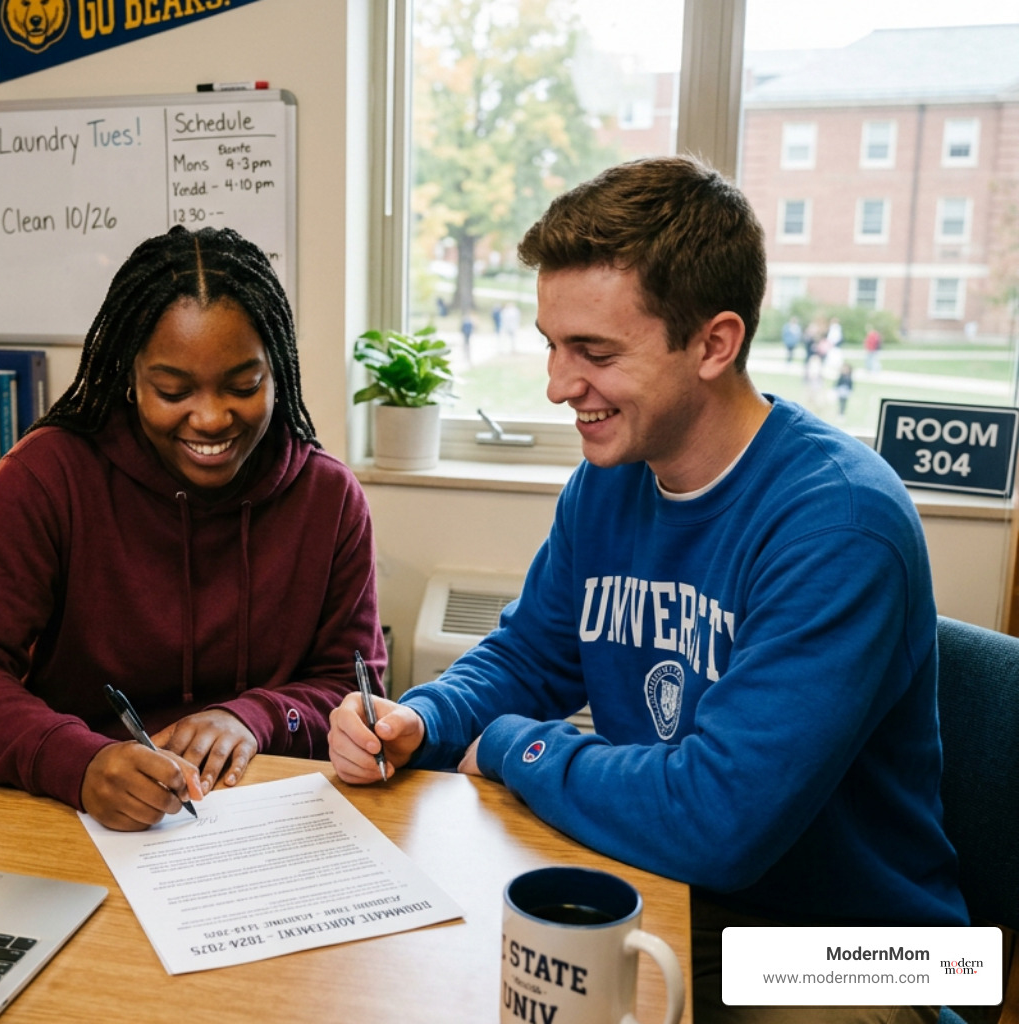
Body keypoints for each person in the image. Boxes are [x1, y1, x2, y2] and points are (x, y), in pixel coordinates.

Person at [327, 157, 964, 1024]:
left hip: (854, 954)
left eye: (595, 353)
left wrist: (516, 748)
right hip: (673, 895)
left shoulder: (839, 524)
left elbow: (719, 820)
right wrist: (425, 719)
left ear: (714, 344)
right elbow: (530, 657)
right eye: (553, 345)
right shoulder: (613, 476)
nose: (559, 386)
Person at [0, 225, 384, 832]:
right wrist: (78, 762)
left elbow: (352, 691)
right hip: (80, 820)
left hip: (267, 828)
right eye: (173, 390)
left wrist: (257, 717)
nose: (211, 418)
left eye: (244, 386)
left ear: (278, 372)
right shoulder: (48, 477)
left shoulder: (328, 498)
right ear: (130, 377)